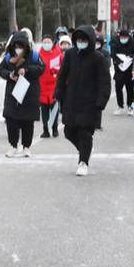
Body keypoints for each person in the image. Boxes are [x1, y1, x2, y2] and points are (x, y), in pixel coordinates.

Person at [54, 26, 111, 177]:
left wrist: (101, 101)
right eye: (78, 40)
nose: (80, 42)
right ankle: (85, 149)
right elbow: (62, 75)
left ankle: (83, 162)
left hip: (89, 103)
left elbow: (105, 81)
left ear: (90, 40)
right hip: (71, 100)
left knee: (85, 133)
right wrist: (59, 91)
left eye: (84, 40)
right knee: (68, 131)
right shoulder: (70, 55)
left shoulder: (98, 58)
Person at [0, 31, 44, 157]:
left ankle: (26, 147)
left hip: (29, 94)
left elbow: (41, 68)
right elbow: (1, 70)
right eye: (16, 46)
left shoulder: (34, 56)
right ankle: (13, 145)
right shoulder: (8, 57)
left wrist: (27, 70)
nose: (19, 49)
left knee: (27, 122)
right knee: (11, 120)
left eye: (21, 46)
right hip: (12, 95)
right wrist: (10, 75)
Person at [38, 34, 63, 138]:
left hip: (54, 86)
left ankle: (55, 129)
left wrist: (58, 70)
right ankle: (45, 130)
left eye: (49, 41)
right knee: (44, 111)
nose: (46, 43)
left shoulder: (58, 53)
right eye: (45, 42)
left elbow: (64, 66)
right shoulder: (38, 54)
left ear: (52, 43)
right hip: (42, 86)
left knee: (54, 109)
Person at [111, 28, 134, 116]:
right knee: (118, 89)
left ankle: (130, 106)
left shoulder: (133, 44)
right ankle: (120, 106)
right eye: (122, 37)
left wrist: (129, 58)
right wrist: (119, 62)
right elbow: (113, 55)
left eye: (125, 37)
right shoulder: (116, 43)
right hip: (119, 70)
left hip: (129, 71)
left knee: (130, 89)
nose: (123, 39)